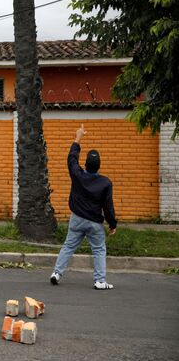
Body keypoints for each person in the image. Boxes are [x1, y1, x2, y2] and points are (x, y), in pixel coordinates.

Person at [50, 124, 117, 290]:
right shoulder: (105, 183)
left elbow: (71, 159)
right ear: (99, 166)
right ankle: (100, 281)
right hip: (95, 223)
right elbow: (108, 206)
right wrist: (112, 224)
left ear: (85, 164)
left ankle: (57, 273)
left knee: (68, 246)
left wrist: (78, 138)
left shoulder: (78, 175)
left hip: (77, 219)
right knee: (99, 250)